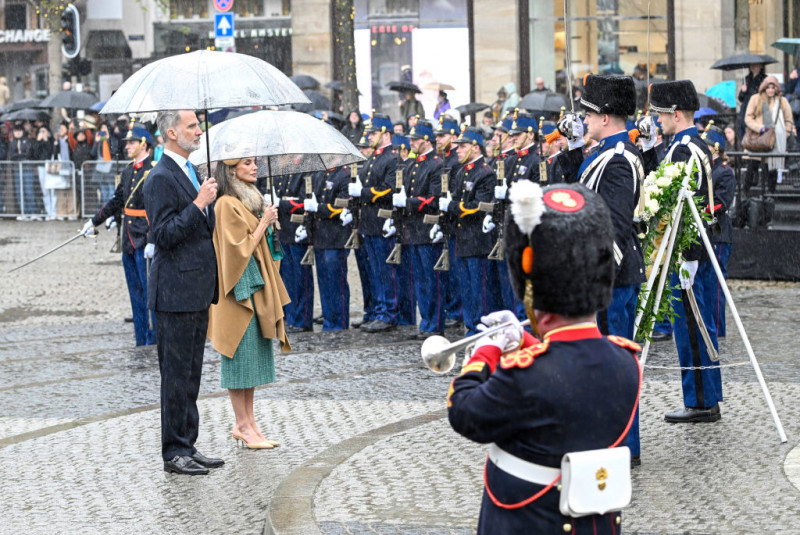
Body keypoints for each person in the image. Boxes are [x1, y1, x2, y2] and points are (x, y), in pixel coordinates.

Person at [448, 181, 641, 534]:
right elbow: (567, 371)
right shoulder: (626, 362)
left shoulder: (524, 376)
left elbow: (464, 412)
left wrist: (487, 349)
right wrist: (525, 340)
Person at [555, 74, 646, 463]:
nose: (584, 119)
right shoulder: (605, 152)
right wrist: (575, 145)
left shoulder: (621, 158)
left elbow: (616, 227)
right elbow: (576, 185)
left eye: (588, 114)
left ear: (606, 117)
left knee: (615, 366)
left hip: (612, 277)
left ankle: (623, 446)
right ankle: (607, 438)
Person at [144, 110, 223, 476]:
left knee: (191, 374)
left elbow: (198, 229)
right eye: (192, 126)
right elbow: (163, 234)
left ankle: (188, 443)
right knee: (174, 376)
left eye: (197, 124)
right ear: (171, 132)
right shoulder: (160, 176)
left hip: (195, 289)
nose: (198, 131)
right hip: (173, 293)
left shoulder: (191, 171)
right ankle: (173, 451)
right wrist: (199, 204)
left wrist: (204, 201)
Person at [640, 80, 722, 424]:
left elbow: (688, 207)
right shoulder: (687, 144)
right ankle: (704, 396)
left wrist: (687, 255)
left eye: (660, 115)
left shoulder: (684, 148)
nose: (657, 120)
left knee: (692, 326)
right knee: (693, 324)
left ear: (675, 114)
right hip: (691, 249)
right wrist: (647, 147)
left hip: (688, 250)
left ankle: (701, 401)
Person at [207, 157, 291, 449]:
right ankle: (242, 423)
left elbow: (255, 243)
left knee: (252, 357)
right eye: (247, 163)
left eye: (255, 162)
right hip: (237, 291)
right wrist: (263, 224)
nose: (255, 167)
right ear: (232, 172)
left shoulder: (245, 202)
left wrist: (268, 225)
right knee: (239, 356)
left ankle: (249, 423)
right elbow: (238, 250)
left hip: (252, 286)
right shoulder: (225, 204)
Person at [81, 126, 158, 346]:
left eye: (132, 142)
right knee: (135, 294)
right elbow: (118, 201)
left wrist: (152, 239)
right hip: (128, 240)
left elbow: (157, 209)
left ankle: (152, 339)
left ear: (144, 144)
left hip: (145, 238)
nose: (127, 146)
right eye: (127, 143)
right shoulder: (127, 171)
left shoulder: (154, 170)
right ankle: (140, 338)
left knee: (149, 293)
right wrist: (95, 220)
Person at [349, 112, 413, 332]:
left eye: (374, 132)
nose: (369, 136)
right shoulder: (374, 157)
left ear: (385, 134)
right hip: (369, 222)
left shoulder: (391, 158)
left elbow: (388, 189)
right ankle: (378, 310)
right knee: (375, 271)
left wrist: (364, 192)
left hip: (382, 221)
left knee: (387, 272)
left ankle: (389, 313)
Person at [438, 126, 502, 336]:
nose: (457, 150)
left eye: (462, 146)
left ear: (475, 148)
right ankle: (471, 326)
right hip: (462, 238)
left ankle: (482, 328)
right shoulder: (461, 171)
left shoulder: (485, 173)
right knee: (465, 288)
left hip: (477, 239)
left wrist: (452, 207)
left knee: (479, 289)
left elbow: (477, 206)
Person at [393, 119, 445, 339]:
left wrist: (409, 202)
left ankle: (435, 323)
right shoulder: (413, 165)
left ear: (426, 140)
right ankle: (425, 321)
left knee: (432, 280)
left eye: (415, 139)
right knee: (420, 281)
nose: (411, 143)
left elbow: (433, 198)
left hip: (426, 228)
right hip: (412, 230)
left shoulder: (436, 164)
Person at [699, 123, 736, 339]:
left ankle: (718, 330)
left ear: (715, 148)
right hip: (704, 231)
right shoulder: (704, 169)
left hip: (718, 232)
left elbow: (721, 202)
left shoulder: (725, 172)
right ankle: (707, 326)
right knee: (704, 282)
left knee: (715, 284)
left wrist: (699, 206)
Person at [273, 172, 315, 333]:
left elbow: (304, 203)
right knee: (288, 278)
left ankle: (302, 319)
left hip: (298, 229)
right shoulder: (285, 173)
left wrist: (281, 203)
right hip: (284, 230)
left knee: (301, 279)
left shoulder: (305, 173)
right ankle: (291, 317)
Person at [744, 75, 795, 194]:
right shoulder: (755, 99)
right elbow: (748, 118)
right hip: (757, 141)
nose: (770, 90)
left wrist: (783, 134)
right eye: (768, 87)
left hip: (774, 143)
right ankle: (746, 199)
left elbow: (788, 120)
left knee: (771, 173)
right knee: (751, 171)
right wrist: (760, 128)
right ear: (764, 88)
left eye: (773, 87)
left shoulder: (782, 101)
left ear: (777, 88)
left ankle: (770, 199)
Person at [737, 63, 766, 140]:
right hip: (745, 108)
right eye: (751, 65)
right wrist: (743, 91)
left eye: (755, 64)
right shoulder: (747, 79)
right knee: (743, 133)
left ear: (760, 66)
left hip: (757, 108)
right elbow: (740, 98)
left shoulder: (764, 79)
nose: (753, 66)